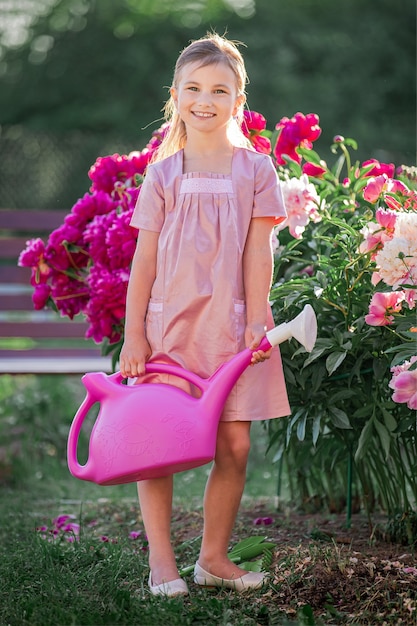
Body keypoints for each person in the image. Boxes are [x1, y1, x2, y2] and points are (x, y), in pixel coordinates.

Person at [119, 32, 290, 597]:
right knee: (156, 443)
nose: (205, 100)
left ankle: (212, 558)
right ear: (176, 95)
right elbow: (143, 261)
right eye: (193, 88)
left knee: (234, 445)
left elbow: (257, 250)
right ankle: (163, 564)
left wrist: (257, 318)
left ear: (239, 101)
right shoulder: (163, 174)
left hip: (232, 325)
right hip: (171, 329)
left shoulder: (255, 170)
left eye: (220, 90)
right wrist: (133, 335)